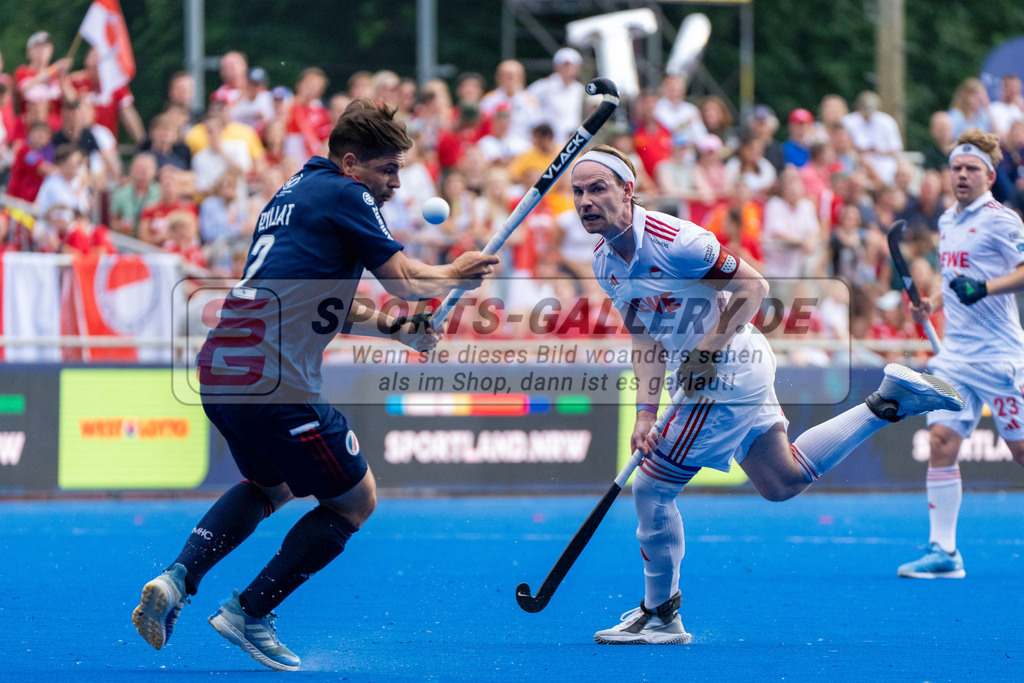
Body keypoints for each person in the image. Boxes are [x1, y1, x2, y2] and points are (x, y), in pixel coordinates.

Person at [131, 100, 498, 670]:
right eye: (387, 170)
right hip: (274, 382)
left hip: (221, 373)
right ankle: (248, 613)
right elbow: (402, 279)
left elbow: (335, 300)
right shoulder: (348, 195)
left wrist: (399, 331)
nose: (397, 184)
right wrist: (455, 272)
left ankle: (179, 577)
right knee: (355, 500)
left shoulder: (293, 193)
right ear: (352, 163)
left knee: (271, 484)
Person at [569, 144, 963, 643]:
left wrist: (707, 351)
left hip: (727, 371)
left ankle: (661, 613)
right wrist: (646, 411)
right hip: (724, 370)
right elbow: (643, 336)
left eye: (598, 188)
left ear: (628, 191)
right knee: (781, 480)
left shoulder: (676, 241)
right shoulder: (605, 260)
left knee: (651, 488)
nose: (586, 200)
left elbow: (753, 288)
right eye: (578, 191)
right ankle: (886, 403)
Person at [896, 129, 1024, 579]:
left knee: (1021, 449)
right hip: (955, 356)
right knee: (941, 443)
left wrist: (986, 288)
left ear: (990, 175)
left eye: (971, 168)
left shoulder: (1002, 220)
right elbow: (956, 279)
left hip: (1000, 356)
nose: (962, 175)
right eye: (956, 168)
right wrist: (932, 301)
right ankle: (944, 552)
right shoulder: (948, 220)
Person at [526, 47, 584, 143]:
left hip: (571, 142)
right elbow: (526, 100)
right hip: (549, 143)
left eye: (572, 65)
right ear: (557, 66)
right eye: (565, 65)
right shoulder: (544, 85)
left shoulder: (579, 89)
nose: (568, 69)